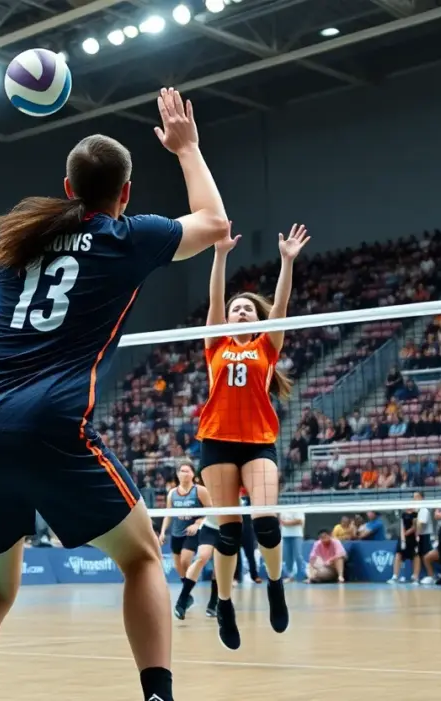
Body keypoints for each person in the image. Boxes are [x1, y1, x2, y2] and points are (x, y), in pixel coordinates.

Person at [0, 87, 230, 701]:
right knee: (141, 557)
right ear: (125, 194)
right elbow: (214, 223)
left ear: (67, 188)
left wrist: (5, 321)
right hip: (48, 422)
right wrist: (187, 148)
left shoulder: (13, 238)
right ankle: (158, 696)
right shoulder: (127, 237)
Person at [197, 220, 310, 650]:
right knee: (228, 533)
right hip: (217, 441)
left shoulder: (266, 345)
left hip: (258, 441)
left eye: (248, 308)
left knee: (265, 522)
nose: (241, 311)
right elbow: (214, 298)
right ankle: (225, 604)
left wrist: (287, 262)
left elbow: (281, 306)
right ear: (226, 319)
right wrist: (219, 255)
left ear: (257, 318)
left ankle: (275, 586)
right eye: (236, 308)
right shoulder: (215, 344)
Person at [157, 464, 213, 620]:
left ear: (193, 474)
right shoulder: (172, 493)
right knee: (178, 566)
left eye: (187, 471)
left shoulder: (200, 490)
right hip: (176, 533)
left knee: (185, 560)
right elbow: (168, 514)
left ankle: (186, 593)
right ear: (177, 474)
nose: (184, 473)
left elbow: (210, 510)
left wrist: (197, 523)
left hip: (193, 532)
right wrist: (163, 532)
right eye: (181, 471)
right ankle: (188, 595)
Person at [173, 513, 220, 620]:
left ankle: (213, 604)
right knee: (203, 556)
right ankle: (182, 601)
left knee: (219, 565)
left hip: (230, 528)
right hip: (210, 527)